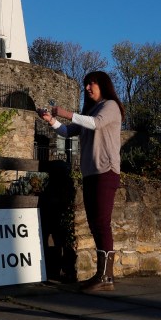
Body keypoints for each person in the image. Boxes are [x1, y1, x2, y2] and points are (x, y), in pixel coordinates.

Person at [37, 71, 124, 292]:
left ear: (102, 85)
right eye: (85, 84)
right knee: (95, 223)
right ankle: (102, 274)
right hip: (90, 173)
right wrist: (52, 121)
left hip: (106, 171)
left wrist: (66, 112)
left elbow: (96, 124)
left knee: (102, 222)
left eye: (91, 84)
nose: (87, 88)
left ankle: (106, 277)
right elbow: (67, 132)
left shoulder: (110, 106)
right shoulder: (90, 111)